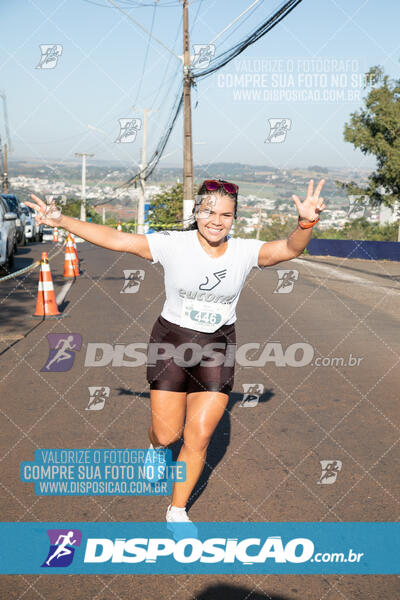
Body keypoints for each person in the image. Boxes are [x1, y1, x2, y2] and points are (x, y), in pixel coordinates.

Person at [26, 178, 326, 523]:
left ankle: (177, 509)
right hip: (171, 343)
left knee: (199, 436)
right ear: (196, 212)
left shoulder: (244, 252)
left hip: (217, 346)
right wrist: (62, 221)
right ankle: (155, 447)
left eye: (226, 215)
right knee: (169, 433)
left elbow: (289, 248)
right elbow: (118, 239)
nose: (217, 221)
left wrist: (306, 223)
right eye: (210, 212)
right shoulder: (173, 244)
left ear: (234, 218)